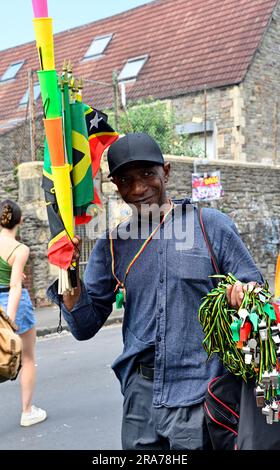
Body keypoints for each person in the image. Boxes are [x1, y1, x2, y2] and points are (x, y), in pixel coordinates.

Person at [48, 132, 263, 450]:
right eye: (126, 179)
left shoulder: (211, 226)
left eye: (148, 174)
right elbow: (83, 326)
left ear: (167, 171)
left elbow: (255, 290)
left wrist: (243, 294)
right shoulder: (112, 244)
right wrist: (69, 274)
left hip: (201, 392)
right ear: (115, 185)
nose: (138, 188)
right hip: (141, 398)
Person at [0, 200, 47, 427]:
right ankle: (27, 412)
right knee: (27, 359)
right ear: (20, 220)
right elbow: (15, 287)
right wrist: (8, 319)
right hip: (13, 304)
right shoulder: (20, 250)